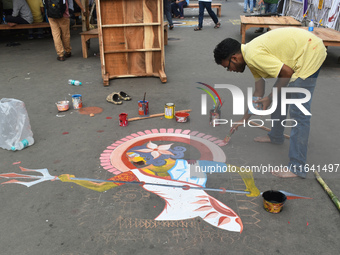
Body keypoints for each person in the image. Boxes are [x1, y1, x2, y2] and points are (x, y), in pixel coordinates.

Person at [213, 27, 327, 178]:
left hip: (310, 51)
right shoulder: (250, 58)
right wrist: (243, 120)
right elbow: (259, 93)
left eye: (227, 67)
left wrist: (271, 97)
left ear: (234, 58)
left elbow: (287, 73)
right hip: (302, 51)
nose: (230, 70)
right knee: (278, 96)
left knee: (299, 113)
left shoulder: (253, 55)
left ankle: (297, 167)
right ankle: (276, 136)